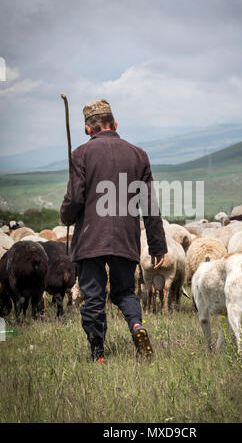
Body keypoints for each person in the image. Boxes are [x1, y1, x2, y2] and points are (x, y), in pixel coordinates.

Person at [60, 99, 167, 362]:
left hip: (90, 238)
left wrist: (66, 216)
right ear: (115, 124)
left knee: (94, 296)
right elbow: (149, 205)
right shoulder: (138, 155)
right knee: (124, 292)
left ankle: (98, 353)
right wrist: (157, 246)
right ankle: (135, 325)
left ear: (88, 129)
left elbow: (74, 200)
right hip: (124, 237)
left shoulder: (80, 155)